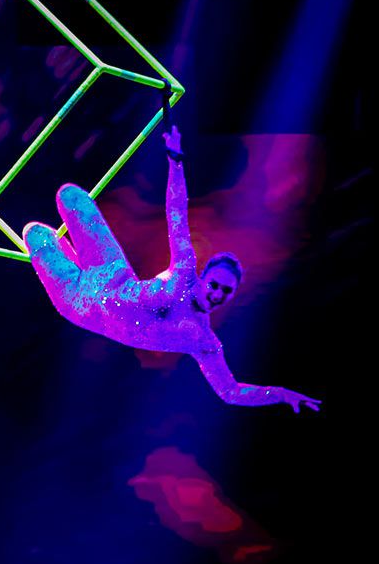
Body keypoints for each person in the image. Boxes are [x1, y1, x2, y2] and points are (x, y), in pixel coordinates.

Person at [23, 125, 320, 413]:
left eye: (226, 291)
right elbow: (176, 211)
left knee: (36, 233)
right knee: (70, 196)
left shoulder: (202, 340)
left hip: (81, 303)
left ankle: (63, 256)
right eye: (215, 285)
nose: (218, 293)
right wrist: (176, 161)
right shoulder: (184, 271)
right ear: (203, 278)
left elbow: (231, 392)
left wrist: (280, 394)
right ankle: (67, 250)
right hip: (111, 273)